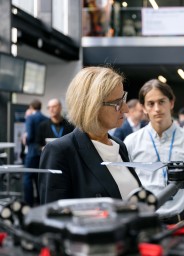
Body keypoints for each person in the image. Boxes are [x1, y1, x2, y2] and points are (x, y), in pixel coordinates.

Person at [39, 67, 141, 204]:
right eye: (117, 103)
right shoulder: (60, 152)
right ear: (92, 107)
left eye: (123, 98)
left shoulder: (119, 146)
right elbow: (53, 217)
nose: (126, 108)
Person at [124, 79, 184, 224]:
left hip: (181, 222)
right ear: (143, 107)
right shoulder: (131, 142)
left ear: (171, 103)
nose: (157, 108)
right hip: (145, 223)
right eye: (151, 103)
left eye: (162, 102)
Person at [24, 99, 48, 206]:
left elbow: (29, 137)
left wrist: (25, 140)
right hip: (43, 151)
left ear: (31, 107)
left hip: (32, 152)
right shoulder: (46, 118)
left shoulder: (30, 118)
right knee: (40, 177)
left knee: (27, 177)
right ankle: (40, 201)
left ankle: (28, 204)